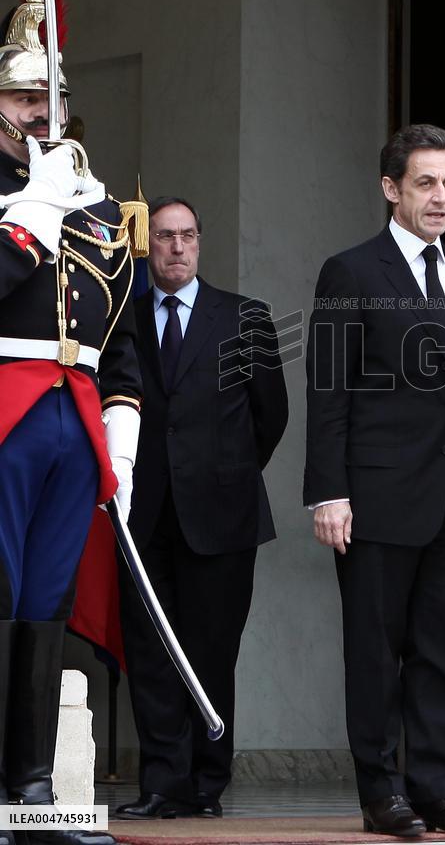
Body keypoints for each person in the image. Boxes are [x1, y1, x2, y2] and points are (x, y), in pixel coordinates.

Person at [304, 124, 445, 838]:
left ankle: (438, 792)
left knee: (443, 654)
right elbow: (328, 390)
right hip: (376, 498)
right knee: (375, 656)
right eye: (425, 182)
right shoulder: (350, 271)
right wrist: (329, 492)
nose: (439, 196)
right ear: (391, 189)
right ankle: (380, 794)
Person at [0, 0, 143, 845]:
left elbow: (119, 338)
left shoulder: (90, 206)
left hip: (72, 416)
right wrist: (29, 219)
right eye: (20, 100)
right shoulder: (34, 201)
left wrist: (120, 440)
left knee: (46, 603)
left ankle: (31, 791)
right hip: (4, 408)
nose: (36, 116)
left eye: (45, 99)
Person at [116, 196, 288, 820]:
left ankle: (206, 785)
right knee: (152, 652)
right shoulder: (122, 318)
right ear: (148, 245)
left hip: (223, 516)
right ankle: (160, 783)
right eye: (164, 237)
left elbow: (271, 416)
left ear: (200, 241)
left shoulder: (245, 318)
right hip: (144, 517)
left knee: (212, 652)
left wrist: (225, 474)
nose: (178, 248)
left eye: (188, 235)